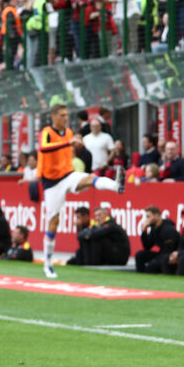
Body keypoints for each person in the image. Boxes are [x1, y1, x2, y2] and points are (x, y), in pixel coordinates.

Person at [37, 102, 122, 278]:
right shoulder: (47, 132)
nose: (65, 118)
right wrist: (68, 143)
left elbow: (69, 149)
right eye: (61, 115)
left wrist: (75, 145)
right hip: (52, 182)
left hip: (68, 174)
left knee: (90, 178)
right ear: (53, 117)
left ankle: (115, 185)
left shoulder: (68, 133)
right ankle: (47, 263)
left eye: (67, 115)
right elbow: (44, 149)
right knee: (54, 222)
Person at [134, 205, 178, 274]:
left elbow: (168, 250)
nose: (146, 220)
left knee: (151, 266)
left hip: (171, 256)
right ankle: (139, 276)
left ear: (157, 216)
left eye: (148, 217)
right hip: (162, 254)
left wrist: (155, 261)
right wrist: (144, 231)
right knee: (140, 255)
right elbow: (147, 247)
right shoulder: (154, 229)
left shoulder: (168, 229)